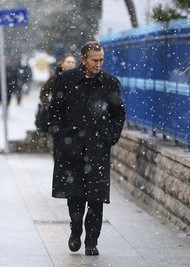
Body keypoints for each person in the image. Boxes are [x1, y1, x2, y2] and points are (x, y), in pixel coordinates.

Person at [48, 41, 126, 256]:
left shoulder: (110, 83)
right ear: (83, 60)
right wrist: (61, 136)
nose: (98, 64)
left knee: (96, 197)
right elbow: (55, 111)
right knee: (75, 194)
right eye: (94, 60)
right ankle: (75, 231)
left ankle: (92, 241)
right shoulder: (66, 80)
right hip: (71, 148)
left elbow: (118, 114)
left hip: (98, 149)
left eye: (101, 60)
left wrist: (110, 137)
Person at [36, 54, 77, 133]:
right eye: (68, 62)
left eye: (73, 62)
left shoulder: (78, 78)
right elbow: (43, 93)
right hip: (57, 118)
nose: (71, 64)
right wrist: (49, 106)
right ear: (61, 64)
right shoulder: (55, 78)